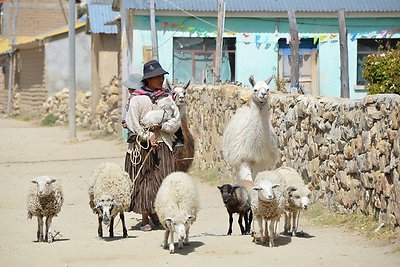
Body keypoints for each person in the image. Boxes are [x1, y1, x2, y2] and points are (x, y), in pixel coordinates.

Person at [124, 60, 181, 231]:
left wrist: (162, 127)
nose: (161, 79)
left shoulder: (167, 98)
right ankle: (145, 218)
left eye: (162, 76)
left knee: (163, 180)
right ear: (148, 79)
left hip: (164, 144)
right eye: (157, 77)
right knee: (144, 181)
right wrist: (147, 136)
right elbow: (132, 122)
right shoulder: (137, 100)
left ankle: (158, 214)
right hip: (141, 147)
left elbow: (176, 120)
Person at [121, 73, 143, 142]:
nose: (128, 89)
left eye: (130, 87)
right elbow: (126, 111)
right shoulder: (131, 98)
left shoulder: (138, 98)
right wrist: (124, 121)